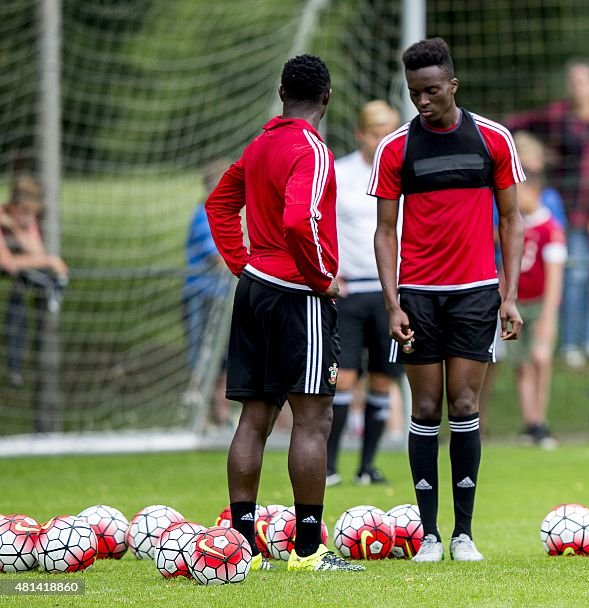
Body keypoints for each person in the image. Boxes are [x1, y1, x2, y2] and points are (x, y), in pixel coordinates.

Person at [205, 54, 362, 573]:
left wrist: (243, 265)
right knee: (313, 418)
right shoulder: (312, 149)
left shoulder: (259, 144)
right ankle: (309, 550)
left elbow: (219, 205)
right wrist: (322, 278)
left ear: (280, 92)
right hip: (297, 294)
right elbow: (300, 219)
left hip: (255, 289)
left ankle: (240, 544)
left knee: (255, 416)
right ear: (327, 97)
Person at [371, 38, 524, 563]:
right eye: (414, 92)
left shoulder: (492, 139)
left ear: (452, 85)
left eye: (432, 90)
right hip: (418, 296)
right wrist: (392, 302)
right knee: (427, 407)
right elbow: (385, 230)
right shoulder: (395, 148)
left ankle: (463, 533)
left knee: (464, 405)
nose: (423, 101)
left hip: (476, 294)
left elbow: (511, 220)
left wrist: (509, 294)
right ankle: (429, 535)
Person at [507, 60, 589, 368]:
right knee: (574, 274)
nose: (580, 87)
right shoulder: (557, 116)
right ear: (569, 87)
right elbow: (515, 122)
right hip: (568, 211)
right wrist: (543, 153)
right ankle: (570, 343)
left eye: (585, 81)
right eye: (574, 82)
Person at [325, 100, 404, 488]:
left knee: (383, 380)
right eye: (376, 133)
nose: (382, 140)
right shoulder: (340, 174)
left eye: (389, 131)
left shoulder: (405, 172)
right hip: (351, 291)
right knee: (344, 378)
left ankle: (368, 466)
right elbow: (323, 224)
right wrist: (331, 267)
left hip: (392, 293)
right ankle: (328, 465)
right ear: (361, 134)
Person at [506, 131, 566, 449]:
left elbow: (555, 277)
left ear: (533, 191)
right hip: (518, 304)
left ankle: (541, 420)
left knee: (541, 360)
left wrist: (548, 316)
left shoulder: (550, 229)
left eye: (518, 193)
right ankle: (530, 423)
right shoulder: (514, 227)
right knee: (522, 364)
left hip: (540, 305)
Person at [1, 176, 68, 390]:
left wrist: (17, 230)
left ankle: (15, 368)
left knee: (20, 296)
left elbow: (36, 251)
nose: (29, 219)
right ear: (12, 207)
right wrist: (51, 260)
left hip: (15, 275)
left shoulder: (23, 223)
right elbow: (8, 263)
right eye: (24, 212)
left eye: (33, 213)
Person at [183, 159, 233, 429]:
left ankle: (220, 414)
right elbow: (219, 257)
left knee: (222, 358)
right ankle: (197, 416)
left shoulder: (227, 213)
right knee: (202, 355)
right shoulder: (203, 214)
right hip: (202, 295)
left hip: (222, 298)